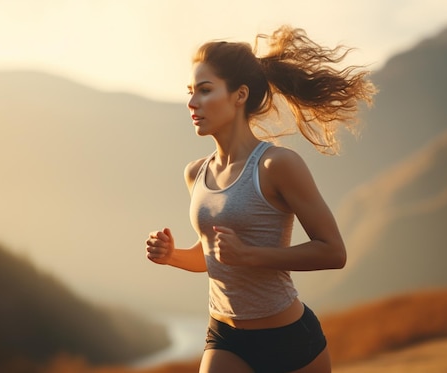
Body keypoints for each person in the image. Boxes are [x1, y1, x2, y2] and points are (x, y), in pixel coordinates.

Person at [146, 25, 375, 373]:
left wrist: (250, 255)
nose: (192, 103)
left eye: (205, 91)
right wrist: (171, 256)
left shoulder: (276, 165)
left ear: (239, 95)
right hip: (225, 336)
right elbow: (213, 258)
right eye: (190, 92)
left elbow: (333, 251)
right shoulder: (196, 173)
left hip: (288, 341)